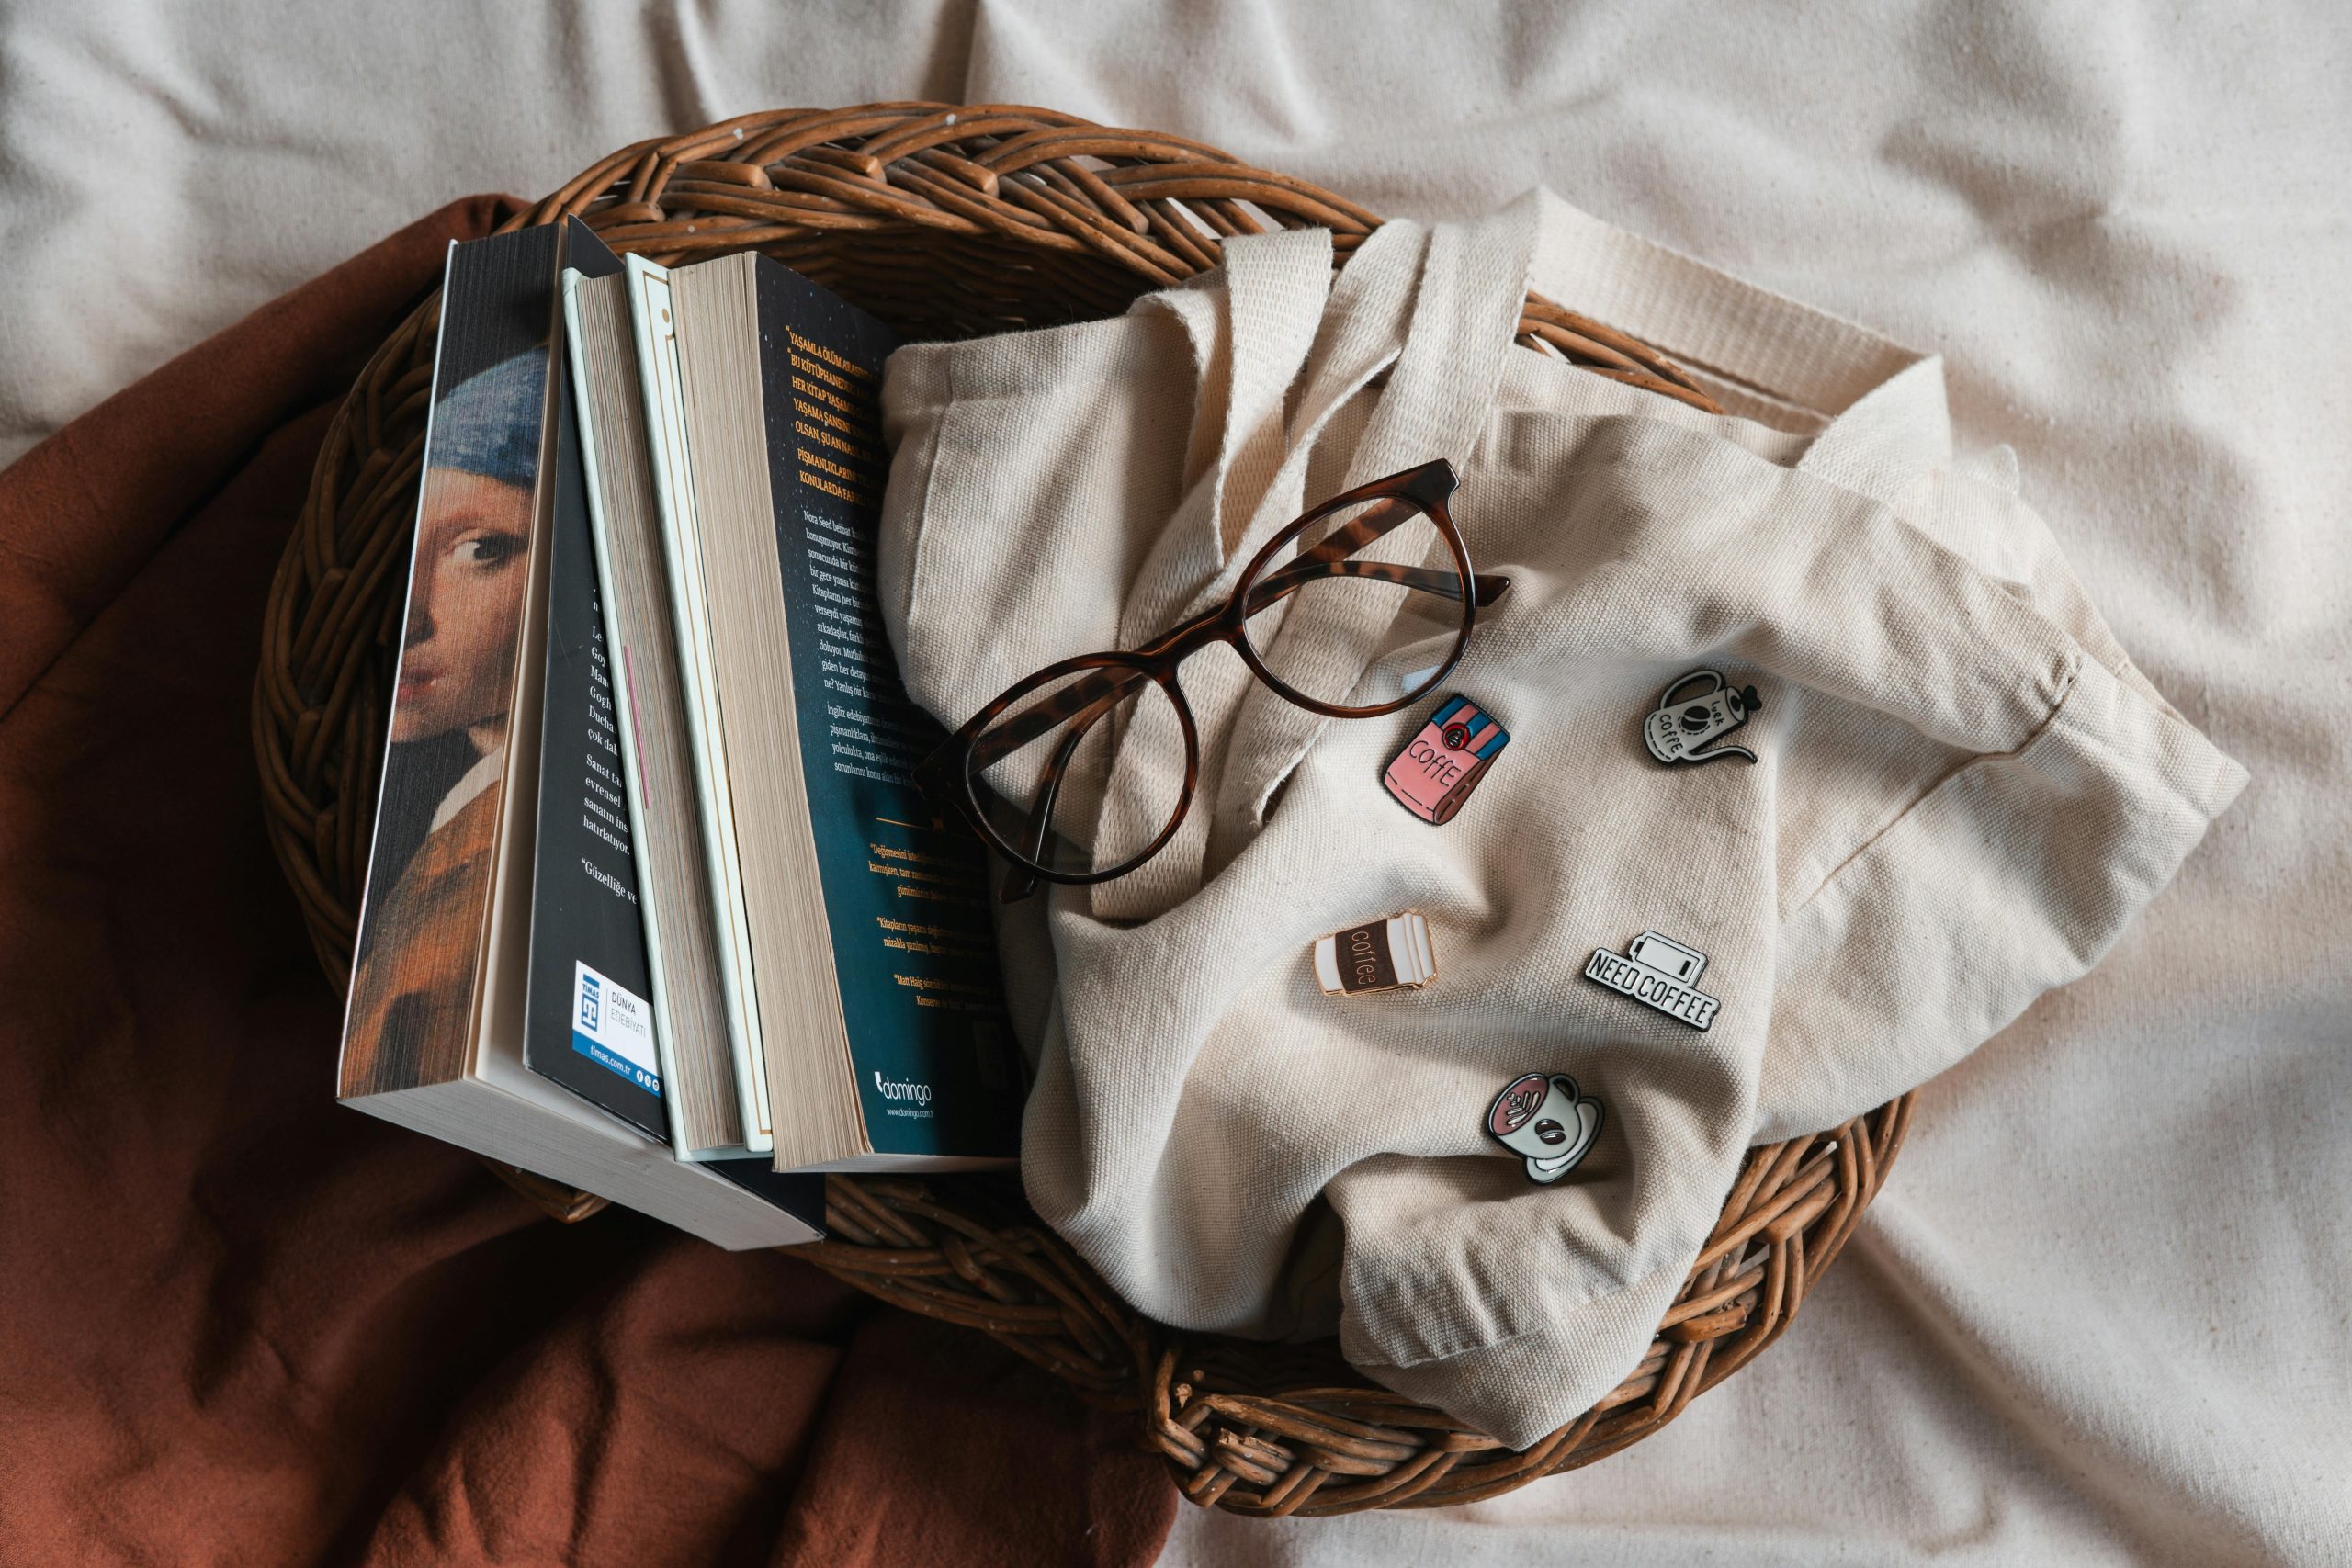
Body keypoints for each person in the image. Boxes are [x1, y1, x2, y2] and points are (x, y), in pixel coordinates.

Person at [340, 346, 546, 1095]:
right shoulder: (469, 807)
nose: (408, 616)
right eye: (410, 551)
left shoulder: (503, 841)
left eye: (480, 549)